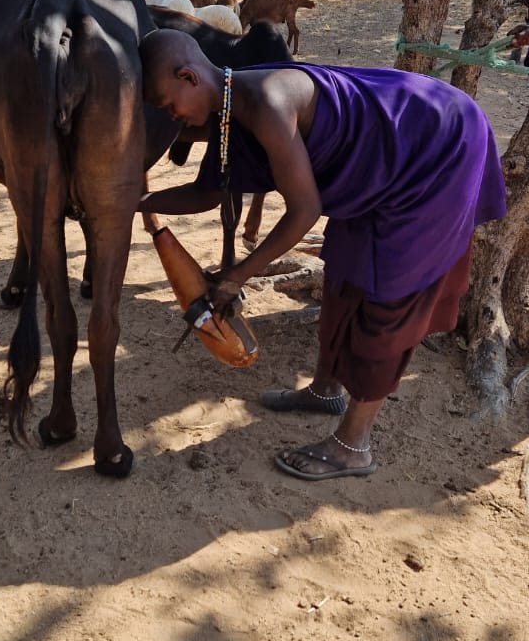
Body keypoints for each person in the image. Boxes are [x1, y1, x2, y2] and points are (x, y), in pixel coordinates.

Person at [138, 30, 506, 482]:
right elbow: (206, 192)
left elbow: (304, 211)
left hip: (437, 148)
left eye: (167, 104)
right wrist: (133, 205)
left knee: (390, 297)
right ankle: (325, 390)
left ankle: (354, 446)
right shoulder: (228, 104)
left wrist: (237, 278)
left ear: (188, 77)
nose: (171, 117)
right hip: (381, 170)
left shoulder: (267, 103)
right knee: (344, 274)